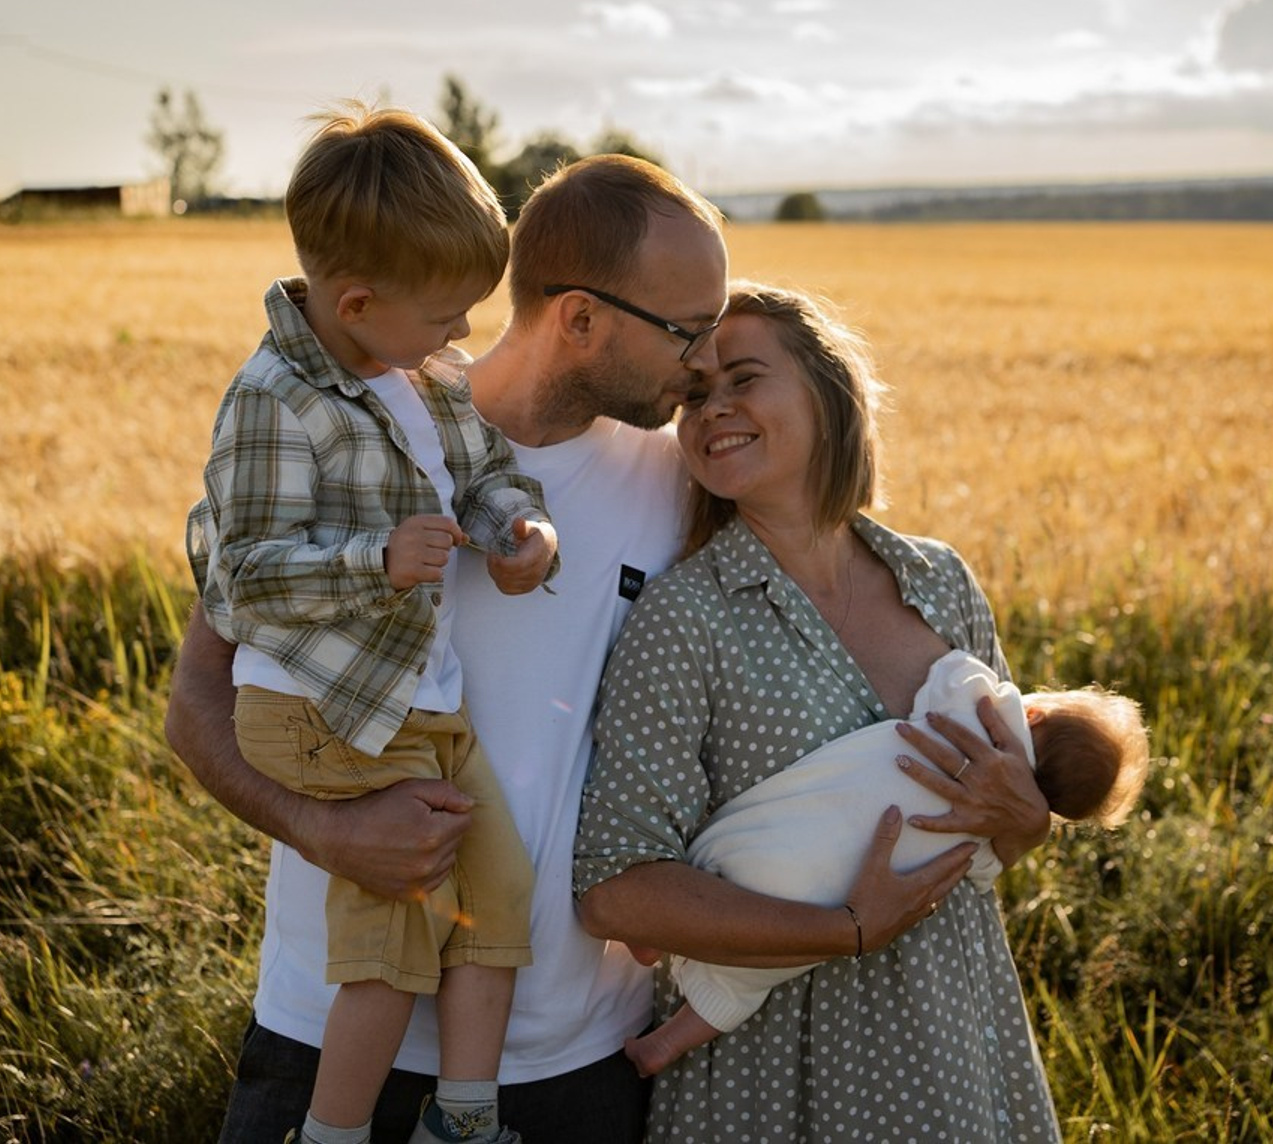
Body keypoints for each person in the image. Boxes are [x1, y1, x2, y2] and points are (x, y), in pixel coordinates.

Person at [166, 151, 736, 1144]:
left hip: (570, 1056)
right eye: (687, 331)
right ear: (580, 318)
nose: (705, 364)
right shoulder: (350, 423)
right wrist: (319, 827)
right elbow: (196, 703)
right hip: (318, 1033)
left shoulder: (685, 483)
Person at [574, 283, 1062, 1142]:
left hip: (956, 1035)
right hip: (778, 1067)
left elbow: (994, 833)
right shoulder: (685, 618)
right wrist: (843, 930)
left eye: (744, 380)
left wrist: (1031, 823)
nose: (712, 410)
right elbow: (615, 889)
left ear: (828, 397)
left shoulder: (939, 581)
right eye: (693, 395)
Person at [187, 103, 560, 1144]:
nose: (463, 336)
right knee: (394, 937)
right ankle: (333, 1134)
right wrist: (373, 561)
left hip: (416, 704)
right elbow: (242, 578)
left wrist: (519, 527)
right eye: (448, 313)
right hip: (322, 708)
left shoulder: (424, 374)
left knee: (498, 894)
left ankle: (464, 1119)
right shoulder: (272, 401)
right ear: (355, 300)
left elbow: (483, 473)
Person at [621, 649, 1150, 1078]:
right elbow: (984, 873)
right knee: (749, 981)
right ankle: (663, 1046)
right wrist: (1026, 824)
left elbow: (948, 672)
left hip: (788, 834)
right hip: (835, 897)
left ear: (1034, 713)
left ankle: (657, 935)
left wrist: (994, 688)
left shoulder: (986, 712)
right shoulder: (991, 832)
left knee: (728, 854)